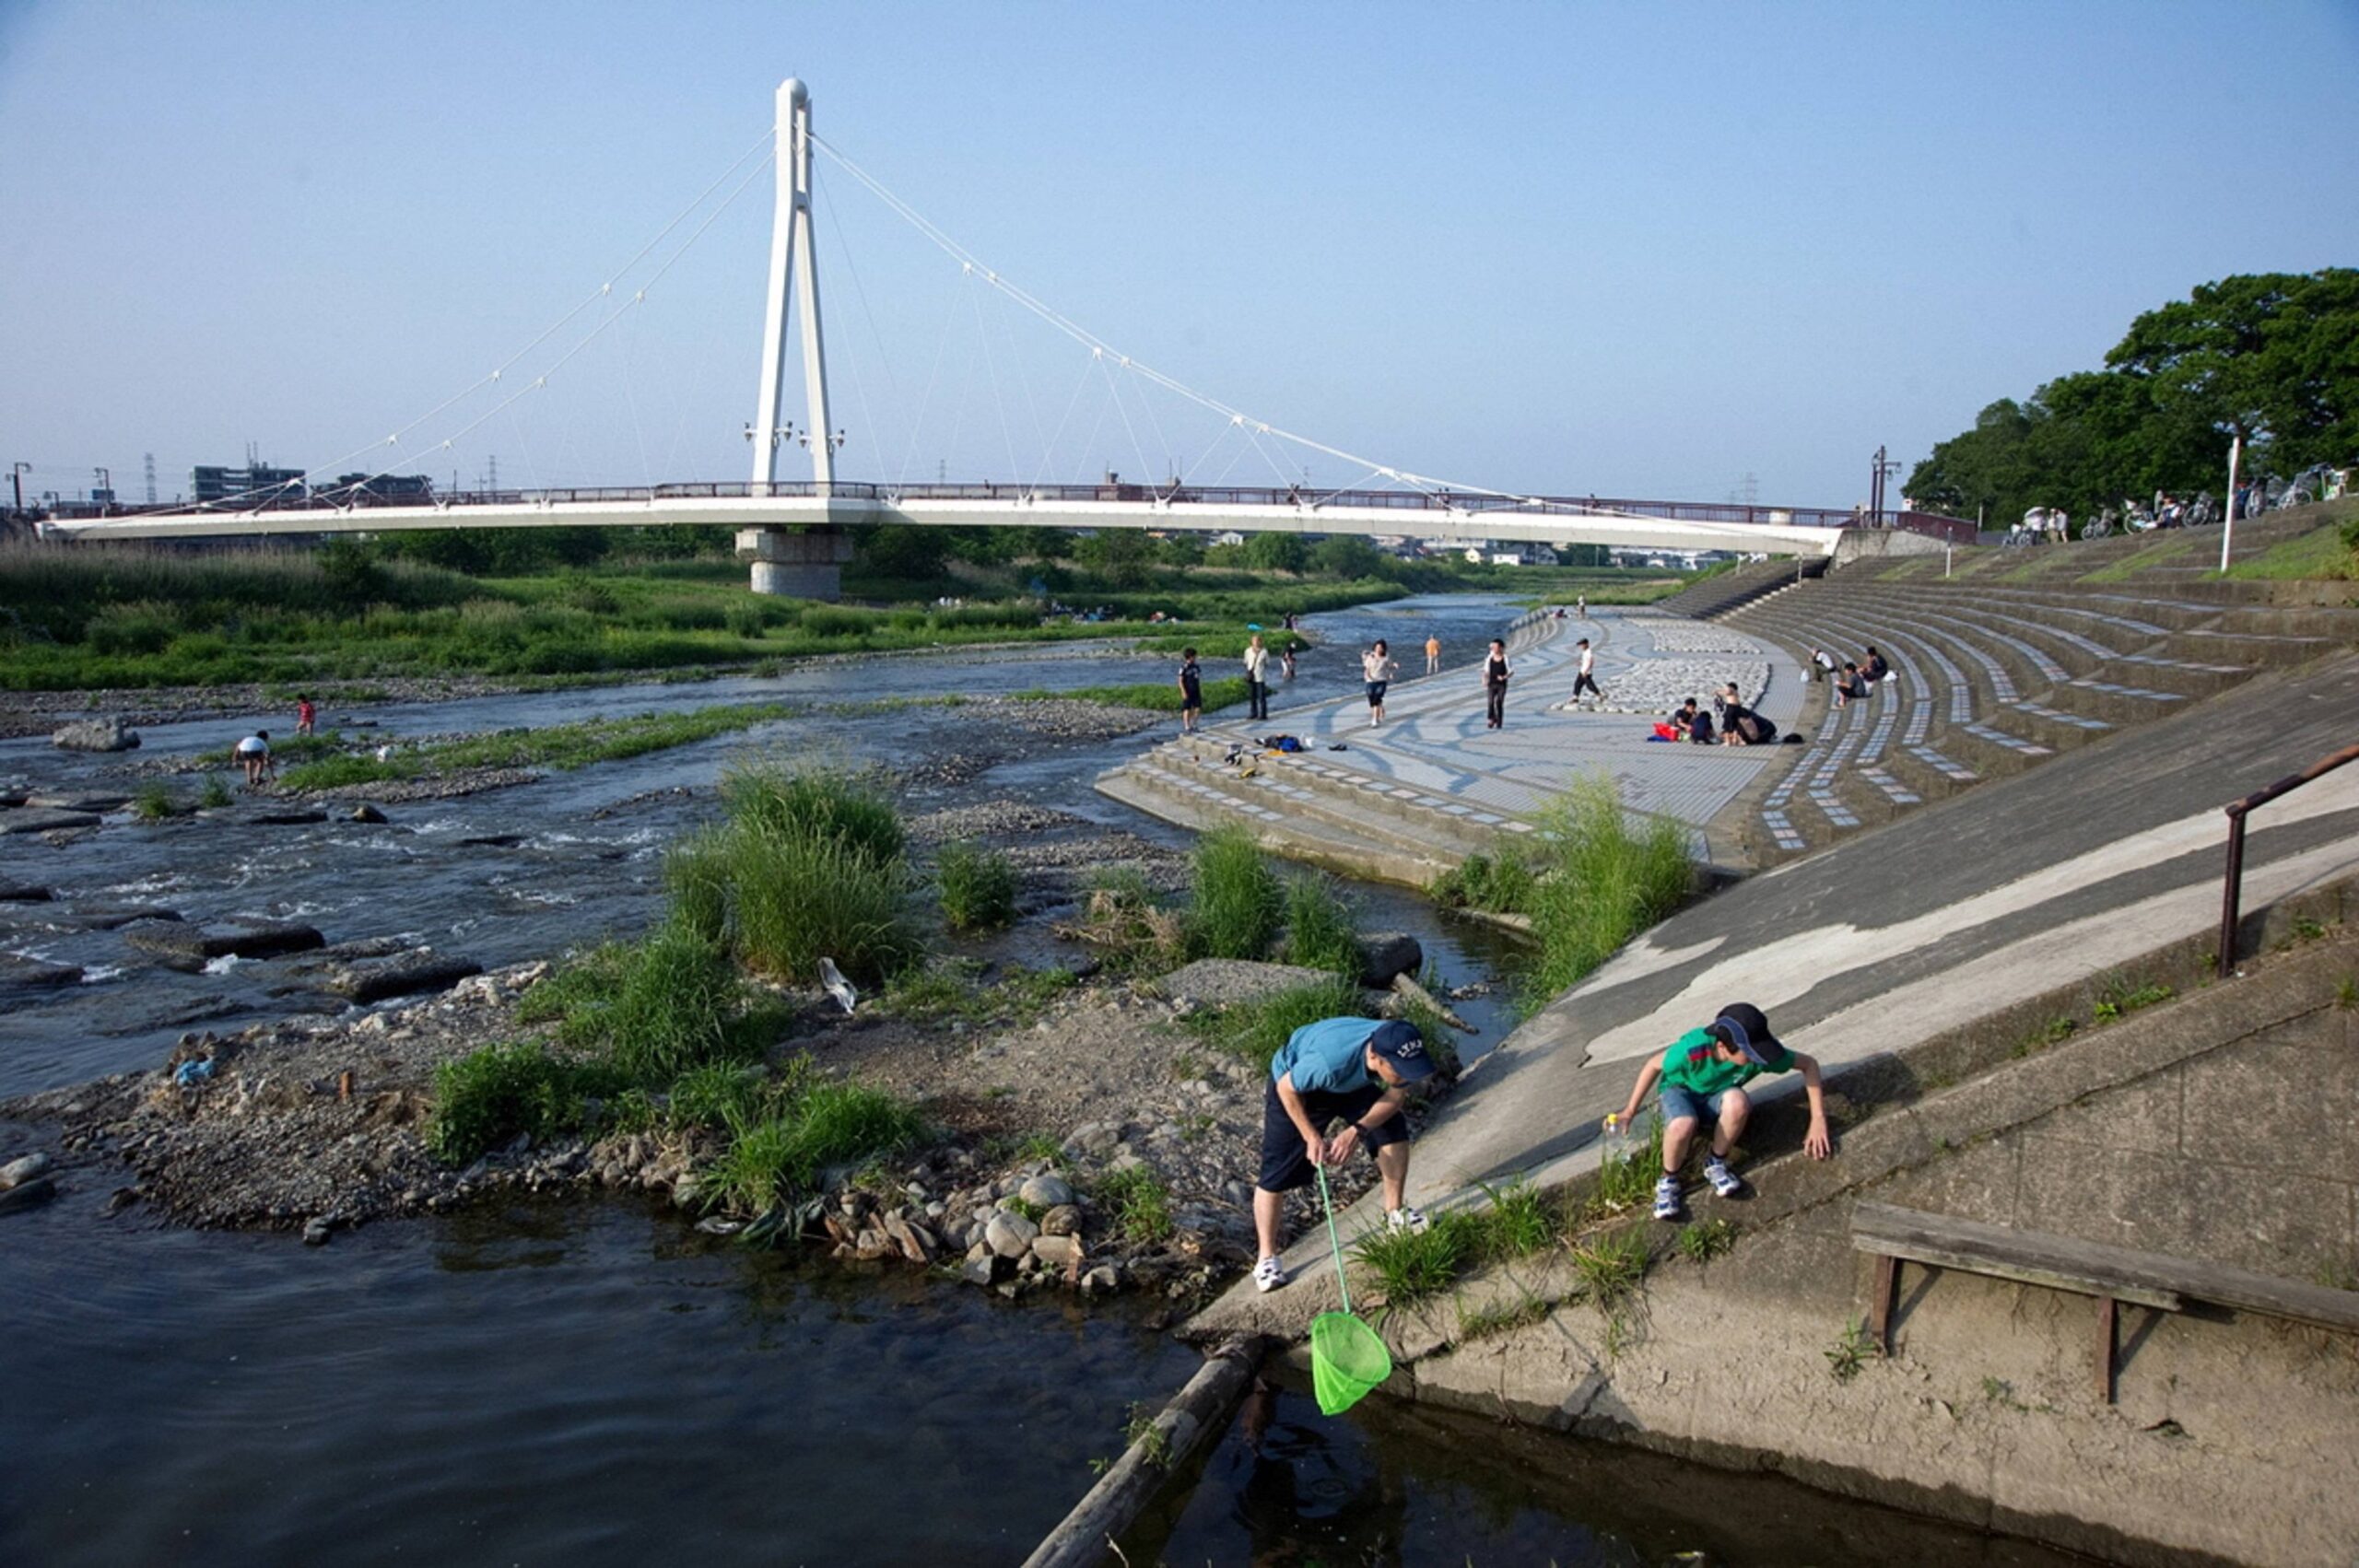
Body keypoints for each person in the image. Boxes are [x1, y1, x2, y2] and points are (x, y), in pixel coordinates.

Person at [1251, 1015, 1438, 1292]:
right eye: (1398, 1071)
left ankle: (1394, 1214)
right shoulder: (1329, 1062)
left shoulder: (1395, 1041)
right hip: (1298, 1087)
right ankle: (1266, 1259)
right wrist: (1310, 1135)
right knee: (1277, 1171)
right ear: (1375, 1057)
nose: (1404, 1077)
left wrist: (1356, 1131)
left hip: (1352, 1083)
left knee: (1392, 1129)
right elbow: (1286, 1088)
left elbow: (1396, 1097)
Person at [1608, 1001, 1832, 1223]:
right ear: (1723, 1047)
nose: (1757, 1058)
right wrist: (1630, 1110)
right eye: (1749, 1053)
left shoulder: (1760, 1056)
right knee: (1683, 1124)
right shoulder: (1691, 1049)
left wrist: (1818, 1119)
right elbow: (1653, 1065)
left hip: (1717, 1097)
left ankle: (1715, 1162)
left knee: (1739, 1102)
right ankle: (1668, 1179)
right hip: (1680, 1092)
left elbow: (1809, 1065)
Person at [1361, 639, 1398, 726]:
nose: (1378, 649)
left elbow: (1390, 666)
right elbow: (1367, 669)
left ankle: (1375, 719)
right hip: (1370, 681)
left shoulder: (1386, 657)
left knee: (1376, 698)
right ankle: (1380, 706)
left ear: (1383, 649)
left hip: (1381, 680)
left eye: (1380, 648)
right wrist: (1367, 676)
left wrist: (1394, 666)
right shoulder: (1370, 657)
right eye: (1377, 647)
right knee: (1371, 697)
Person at [1482, 638, 1510, 729]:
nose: (1493, 649)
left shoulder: (1505, 658)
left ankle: (1499, 721)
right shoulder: (1489, 658)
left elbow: (1511, 671)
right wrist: (1484, 680)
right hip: (1491, 683)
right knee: (1490, 702)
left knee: (1499, 702)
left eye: (1495, 647)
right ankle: (1491, 719)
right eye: (1492, 647)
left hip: (1502, 685)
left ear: (1501, 648)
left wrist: (1504, 677)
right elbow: (1486, 671)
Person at [1243, 634, 1271, 722]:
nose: (1255, 642)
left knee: (1261, 696)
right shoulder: (1248, 651)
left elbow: (1267, 663)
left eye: (1257, 640)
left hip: (1260, 677)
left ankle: (1263, 714)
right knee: (1252, 696)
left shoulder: (1264, 651)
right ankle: (1253, 713)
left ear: (1260, 641)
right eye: (1254, 640)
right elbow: (1246, 662)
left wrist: (1260, 668)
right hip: (1251, 677)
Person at [1177, 648, 1203, 734]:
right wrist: (1183, 692)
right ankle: (1187, 726)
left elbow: (1198, 678)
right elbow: (1180, 681)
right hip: (1187, 690)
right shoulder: (1183, 667)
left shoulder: (1196, 666)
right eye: (1194, 656)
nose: (1195, 658)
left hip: (1196, 689)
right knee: (1187, 708)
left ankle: (1194, 724)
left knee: (1197, 707)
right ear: (1190, 657)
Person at [1570, 638, 1603, 705]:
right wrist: (1581, 662)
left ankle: (1600, 696)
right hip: (1582, 671)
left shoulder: (1588, 652)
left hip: (1586, 673)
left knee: (1590, 686)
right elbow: (1585, 660)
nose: (1581, 646)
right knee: (1577, 684)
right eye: (1580, 645)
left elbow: (1591, 662)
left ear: (1586, 644)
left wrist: (1586, 670)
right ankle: (1575, 698)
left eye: (1582, 644)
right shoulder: (1584, 652)